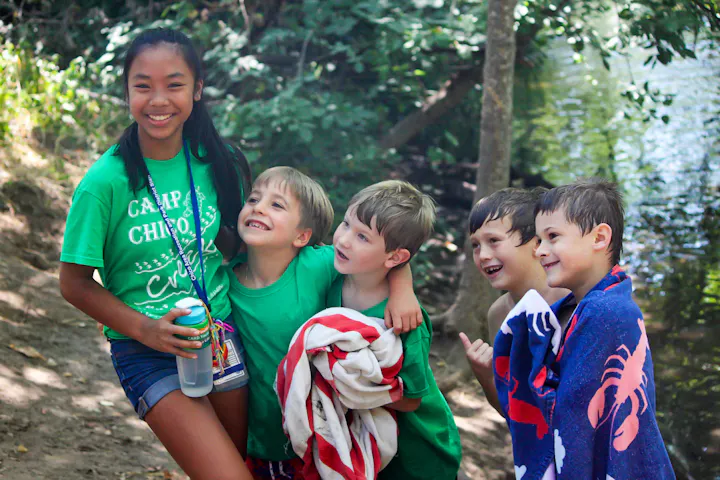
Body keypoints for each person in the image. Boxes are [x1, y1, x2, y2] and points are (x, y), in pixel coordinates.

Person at [59, 29, 253, 480]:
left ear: (197, 90)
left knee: (246, 467)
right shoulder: (103, 183)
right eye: (143, 85)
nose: (158, 99)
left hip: (223, 338)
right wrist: (147, 330)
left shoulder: (220, 162)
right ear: (126, 91)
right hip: (146, 349)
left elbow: (250, 250)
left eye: (175, 84)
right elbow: (73, 284)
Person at [226, 168, 422, 478]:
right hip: (254, 436)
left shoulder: (318, 265)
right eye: (253, 198)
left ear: (302, 236)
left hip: (319, 435)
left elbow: (379, 259)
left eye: (276, 205)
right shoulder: (221, 281)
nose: (259, 207)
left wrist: (403, 289)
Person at [493, 178, 675, 479]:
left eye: (553, 237)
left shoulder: (606, 311)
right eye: (539, 240)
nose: (540, 250)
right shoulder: (580, 306)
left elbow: (573, 412)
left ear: (600, 238)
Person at [327, 180, 462, 480]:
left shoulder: (405, 321)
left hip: (417, 455)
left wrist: (350, 384)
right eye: (346, 223)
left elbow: (411, 399)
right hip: (364, 447)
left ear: (395, 258)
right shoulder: (332, 277)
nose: (344, 240)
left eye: (362, 236)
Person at [458, 188, 568, 414]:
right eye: (476, 245)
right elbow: (514, 412)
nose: (483, 255)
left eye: (494, 240)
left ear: (537, 243)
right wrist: (486, 378)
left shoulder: (573, 301)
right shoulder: (499, 314)